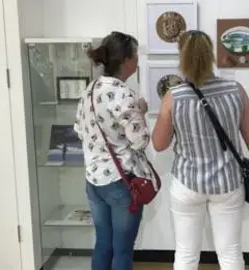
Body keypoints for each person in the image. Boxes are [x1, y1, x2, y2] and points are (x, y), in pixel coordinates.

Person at [151, 30, 249, 270]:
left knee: (186, 255)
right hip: (228, 181)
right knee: (231, 253)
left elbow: (159, 144)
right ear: (210, 54)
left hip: (187, 182)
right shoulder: (235, 90)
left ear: (182, 57)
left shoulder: (173, 97)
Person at [73, 31, 156, 270]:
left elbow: (79, 130)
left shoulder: (89, 90)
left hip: (94, 180)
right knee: (122, 250)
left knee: (103, 244)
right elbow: (140, 141)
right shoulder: (123, 94)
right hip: (121, 182)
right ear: (127, 60)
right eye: (136, 55)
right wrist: (140, 110)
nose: (138, 61)